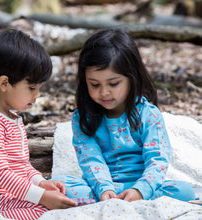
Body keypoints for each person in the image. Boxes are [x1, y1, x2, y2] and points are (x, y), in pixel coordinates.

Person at [53, 28, 195, 202]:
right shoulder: (83, 118)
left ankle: (129, 200)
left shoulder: (148, 114)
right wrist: (104, 189)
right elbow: (91, 159)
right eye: (95, 85)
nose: (104, 92)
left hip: (141, 186)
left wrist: (141, 190)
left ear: (132, 77)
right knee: (57, 185)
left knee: (185, 190)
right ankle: (108, 200)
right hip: (100, 188)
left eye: (113, 83)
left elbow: (157, 159)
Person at [0, 29, 77, 220]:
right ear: (4, 83)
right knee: (47, 211)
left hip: (12, 195)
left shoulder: (10, 117)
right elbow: (1, 174)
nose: (37, 95)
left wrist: (41, 183)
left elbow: (21, 166)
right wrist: (42, 197)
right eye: (32, 88)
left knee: (67, 202)